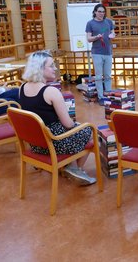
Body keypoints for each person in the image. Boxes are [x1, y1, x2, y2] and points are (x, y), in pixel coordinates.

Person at [19, 51, 96, 186]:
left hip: (37, 144)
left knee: (77, 129)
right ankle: (76, 169)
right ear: (40, 69)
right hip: (55, 143)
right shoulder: (51, 92)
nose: (55, 68)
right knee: (91, 131)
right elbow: (67, 124)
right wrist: (77, 125)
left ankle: (69, 167)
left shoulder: (22, 88)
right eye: (51, 65)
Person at [86, 4, 116, 106]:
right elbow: (89, 39)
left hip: (108, 52)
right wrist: (96, 37)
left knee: (107, 75)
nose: (101, 13)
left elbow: (113, 33)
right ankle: (101, 97)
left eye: (103, 12)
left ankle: (107, 95)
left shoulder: (108, 21)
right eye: (99, 11)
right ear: (95, 12)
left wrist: (112, 35)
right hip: (97, 52)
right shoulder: (90, 23)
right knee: (98, 76)